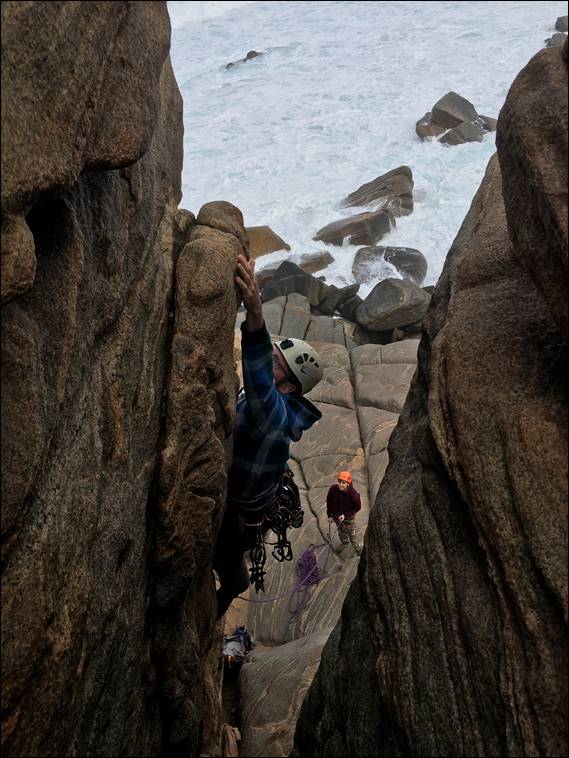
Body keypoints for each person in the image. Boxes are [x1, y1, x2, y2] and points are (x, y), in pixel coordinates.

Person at [213, 254, 323, 619]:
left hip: (234, 519)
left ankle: (229, 589)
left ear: (290, 387)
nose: (269, 363)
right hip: (242, 508)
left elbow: (259, 384)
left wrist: (256, 316)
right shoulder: (275, 406)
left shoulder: (274, 416)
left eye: (277, 364)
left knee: (225, 564)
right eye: (273, 356)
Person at [326, 471, 362, 555]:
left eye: (343, 483)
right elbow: (329, 502)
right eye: (339, 482)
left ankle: (357, 548)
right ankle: (345, 542)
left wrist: (345, 515)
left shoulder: (354, 495)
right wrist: (329, 515)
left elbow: (357, 508)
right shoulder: (333, 489)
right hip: (336, 516)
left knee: (352, 534)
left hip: (349, 518)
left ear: (348, 483)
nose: (340, 485)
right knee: (341, 531)